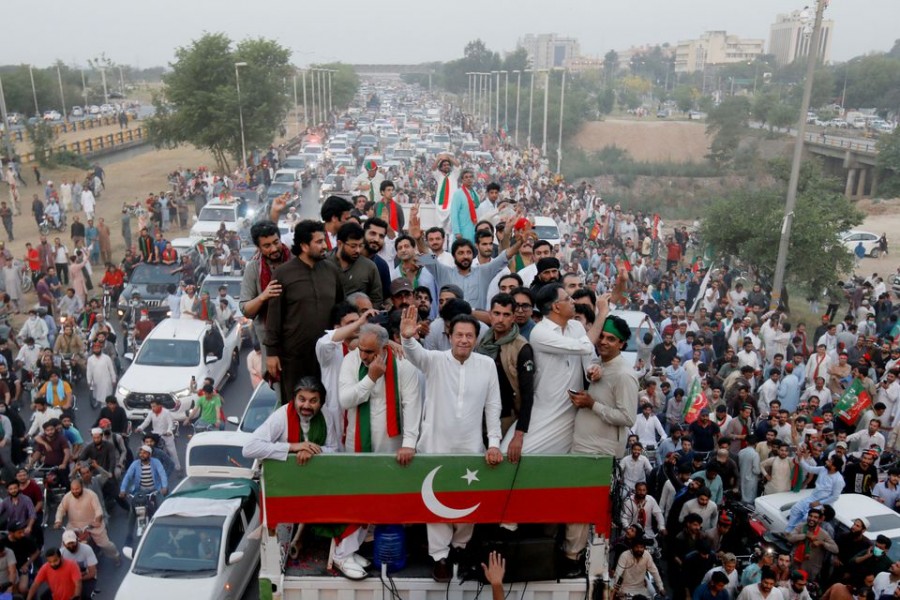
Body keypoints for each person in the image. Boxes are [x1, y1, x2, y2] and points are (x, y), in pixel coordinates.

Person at [399, 306, 502, 582]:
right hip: (436, 446)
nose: (464, 340)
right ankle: (440, 558)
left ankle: (459, 549)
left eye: (470, 335)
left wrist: (494, 443)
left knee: (467, 501)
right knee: (437, 504)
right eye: (459, 335)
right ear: (450, 335)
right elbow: (414, 354)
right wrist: (407, 338)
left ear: (476, 339)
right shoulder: (435, 360)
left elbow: (493, 405)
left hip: (471, 448)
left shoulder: (487, 365)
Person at [265, 220, 344, 402]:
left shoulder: (331, 271)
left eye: (324, 240)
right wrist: (271, 353)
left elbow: (341, 309)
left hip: (326, 355)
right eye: (318, 242)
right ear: (304, 246)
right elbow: (274, 316)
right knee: (294, 406)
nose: (325, 245)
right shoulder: (283, 274)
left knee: (327, 404)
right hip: (293, 357)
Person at [338, 324, 421, 457]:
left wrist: (409, 444)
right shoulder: (351, 360)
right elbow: (345, 401)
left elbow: (411, 404)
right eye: (361, 349)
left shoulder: (402, 362)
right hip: (356, 443)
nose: (363, 356)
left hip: (393, 445)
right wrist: (371, 379)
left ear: (384, 347)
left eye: (370, 352)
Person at [54, 479, 120, 564]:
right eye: (73, 489)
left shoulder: (91, 495)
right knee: (65, 545)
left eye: (77, 489)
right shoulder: (67, 496)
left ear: (82, 487)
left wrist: (98, 520)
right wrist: (58, 521)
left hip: (92, 524)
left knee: (105, 544)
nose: (75, 491)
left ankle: (116, 555)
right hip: (73, 525)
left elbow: (98, 509)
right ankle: (63, 564)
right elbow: (61, 509)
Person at [119, 444, 168, 546]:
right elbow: (127, 477)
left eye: (144, 453)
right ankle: (129, 535)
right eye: (141, 452)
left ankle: (160, 533)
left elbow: (162, 474)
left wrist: (164, 487)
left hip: (154, 491)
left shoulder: (156, 462)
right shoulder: (135, 464)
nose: (142, 454)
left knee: (159, 512)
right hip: (139, 492)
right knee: (133, 512)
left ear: (149, 454)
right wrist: (122, 490)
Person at [785, 448, 845, 531]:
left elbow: (835, 497)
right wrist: (800, 457)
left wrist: (818, 503)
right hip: (812, 498)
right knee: (795, 509)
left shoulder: (839, 480)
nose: (827, 462)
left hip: (823, 504)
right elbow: (809, 468)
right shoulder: (823, 469)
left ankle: (796, 534)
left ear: (834, 467)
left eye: (829, 461)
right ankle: (788, 531)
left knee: (807, 519)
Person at [785, 506, 838, 579]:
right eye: (810, 516)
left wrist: (822, 543)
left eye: (815, 517)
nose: (812, 519)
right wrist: (805, 535)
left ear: (819, 520)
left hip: (810, 569)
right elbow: (790, 537)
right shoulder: (801, 526)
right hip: (795, 564)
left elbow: (835, 549)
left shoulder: (823, 533)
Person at [135, 399, 180, 473]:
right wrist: (140, 428)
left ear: (160, 406)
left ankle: (178, 468)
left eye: (154, 406)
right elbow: (146, 422)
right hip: (155, 434)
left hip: (166, 435)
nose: (153, 408)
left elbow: (170, 424)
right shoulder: (151, 413)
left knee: (172, 451)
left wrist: (169, 431)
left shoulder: (166, 412)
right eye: (151, 406)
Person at [60, 528, 98, 599]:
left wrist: (77, 579)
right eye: (68, 543)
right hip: (71, 579)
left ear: (77, 540)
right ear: (64, 544)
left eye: (73, 542)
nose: (71, 546)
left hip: (87, 578)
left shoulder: (87, 549)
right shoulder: (61, 553)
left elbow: (92, 573)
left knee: (85, 596)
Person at [85, 341, 116, 411]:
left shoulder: (106, 358)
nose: (96, 350)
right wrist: (89, 381)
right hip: (96, 380)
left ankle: (105, 409)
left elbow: (111, 369)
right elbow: (89, 371)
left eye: (98, 348)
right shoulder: (90, 359)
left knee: (105, 396)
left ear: (100, 349)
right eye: (95, 348)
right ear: (93, 350)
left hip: (106, 380)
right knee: (97, 395)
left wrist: (113, 379)